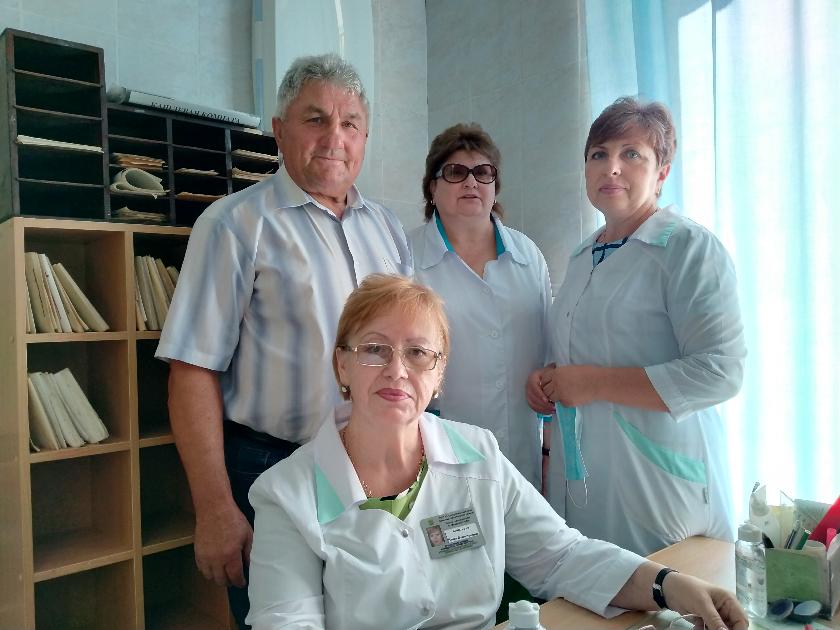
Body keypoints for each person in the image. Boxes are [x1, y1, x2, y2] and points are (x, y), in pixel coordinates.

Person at [245, 274, 748, 630]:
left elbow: (561, 557)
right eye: (375, 349)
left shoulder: (478, 454)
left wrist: (668, 585)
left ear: (439, 376)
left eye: (418, 353)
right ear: (342, 365)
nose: (397, 370)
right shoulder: (286, 495)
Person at [155, 54, 412, 628]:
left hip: (376, 470)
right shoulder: (234, 224)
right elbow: (192, 371)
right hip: (270, 466)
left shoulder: (388, 229)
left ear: (364, 137)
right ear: (279, 129)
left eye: (350, 123)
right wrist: (215, 509)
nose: (334, 138)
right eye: (315, 119)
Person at [527, 97, 746, 557]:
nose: (611, 167)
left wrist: (592, 383)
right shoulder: (583, 256)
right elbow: (586, 351)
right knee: (591, 584)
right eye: (599, 154)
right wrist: (550, 378)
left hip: (660, 483)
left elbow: (719, 372)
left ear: (661, 172)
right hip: (589, 477)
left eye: (631, 154)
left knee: (665, 593)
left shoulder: (688, 248)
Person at [409, 123, 552, 491]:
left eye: (483, 172)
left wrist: (550, 447)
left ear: (494, 185)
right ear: (432, 188)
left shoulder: (528, 255)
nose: (471, 182)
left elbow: (549, 354)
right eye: (456, 172)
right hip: (439, 450)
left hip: (522, 450)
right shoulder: (404, 257)